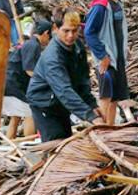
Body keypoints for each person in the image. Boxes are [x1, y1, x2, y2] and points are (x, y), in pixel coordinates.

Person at [28, 8, 96, 140]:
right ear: (56, 28)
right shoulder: (52, 56)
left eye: (74, 30)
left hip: (60, 103)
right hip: (44, 103)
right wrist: (91, 116)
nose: (70, 35)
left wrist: (92, 105)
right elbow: (64, 90)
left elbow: (83, 80)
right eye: (66, 31)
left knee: (66, 139)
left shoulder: (78, 47)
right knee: (55, 143)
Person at [84, 0, 129, 125]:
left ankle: (111, 128)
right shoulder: (101, 5)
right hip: (107, 59)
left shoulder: (117, 4)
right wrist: (102, 56)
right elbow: (89, 32)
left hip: (117, 58)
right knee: (106, 96)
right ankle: (102, 130)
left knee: (115, 96)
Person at [3, 20, 52, 139]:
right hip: (15, 85)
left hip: (9, 84)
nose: (49, 40)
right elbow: (29, 70)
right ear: (45, 33)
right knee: (30, 112)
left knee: (16, 117)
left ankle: (11, 143)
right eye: (49, 36)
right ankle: (29, 145)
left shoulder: (30, 44)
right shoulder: (33, 45)